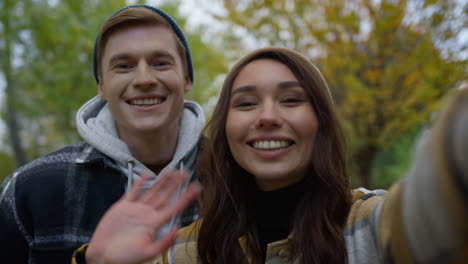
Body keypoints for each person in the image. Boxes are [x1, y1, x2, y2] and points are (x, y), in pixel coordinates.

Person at [73, 47, 468, 264]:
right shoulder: (186, 252)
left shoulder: (374, 226)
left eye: (291, 100)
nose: (267, 117)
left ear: (322, 123)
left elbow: (441, 200)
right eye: (245, 104)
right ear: (225, 130)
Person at [0, 4, 205, 263]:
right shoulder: (29, 190)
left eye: (161, 63)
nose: (144, 79)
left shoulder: (234, 177)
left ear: (186, 79)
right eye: (124, 66)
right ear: (102, 86)